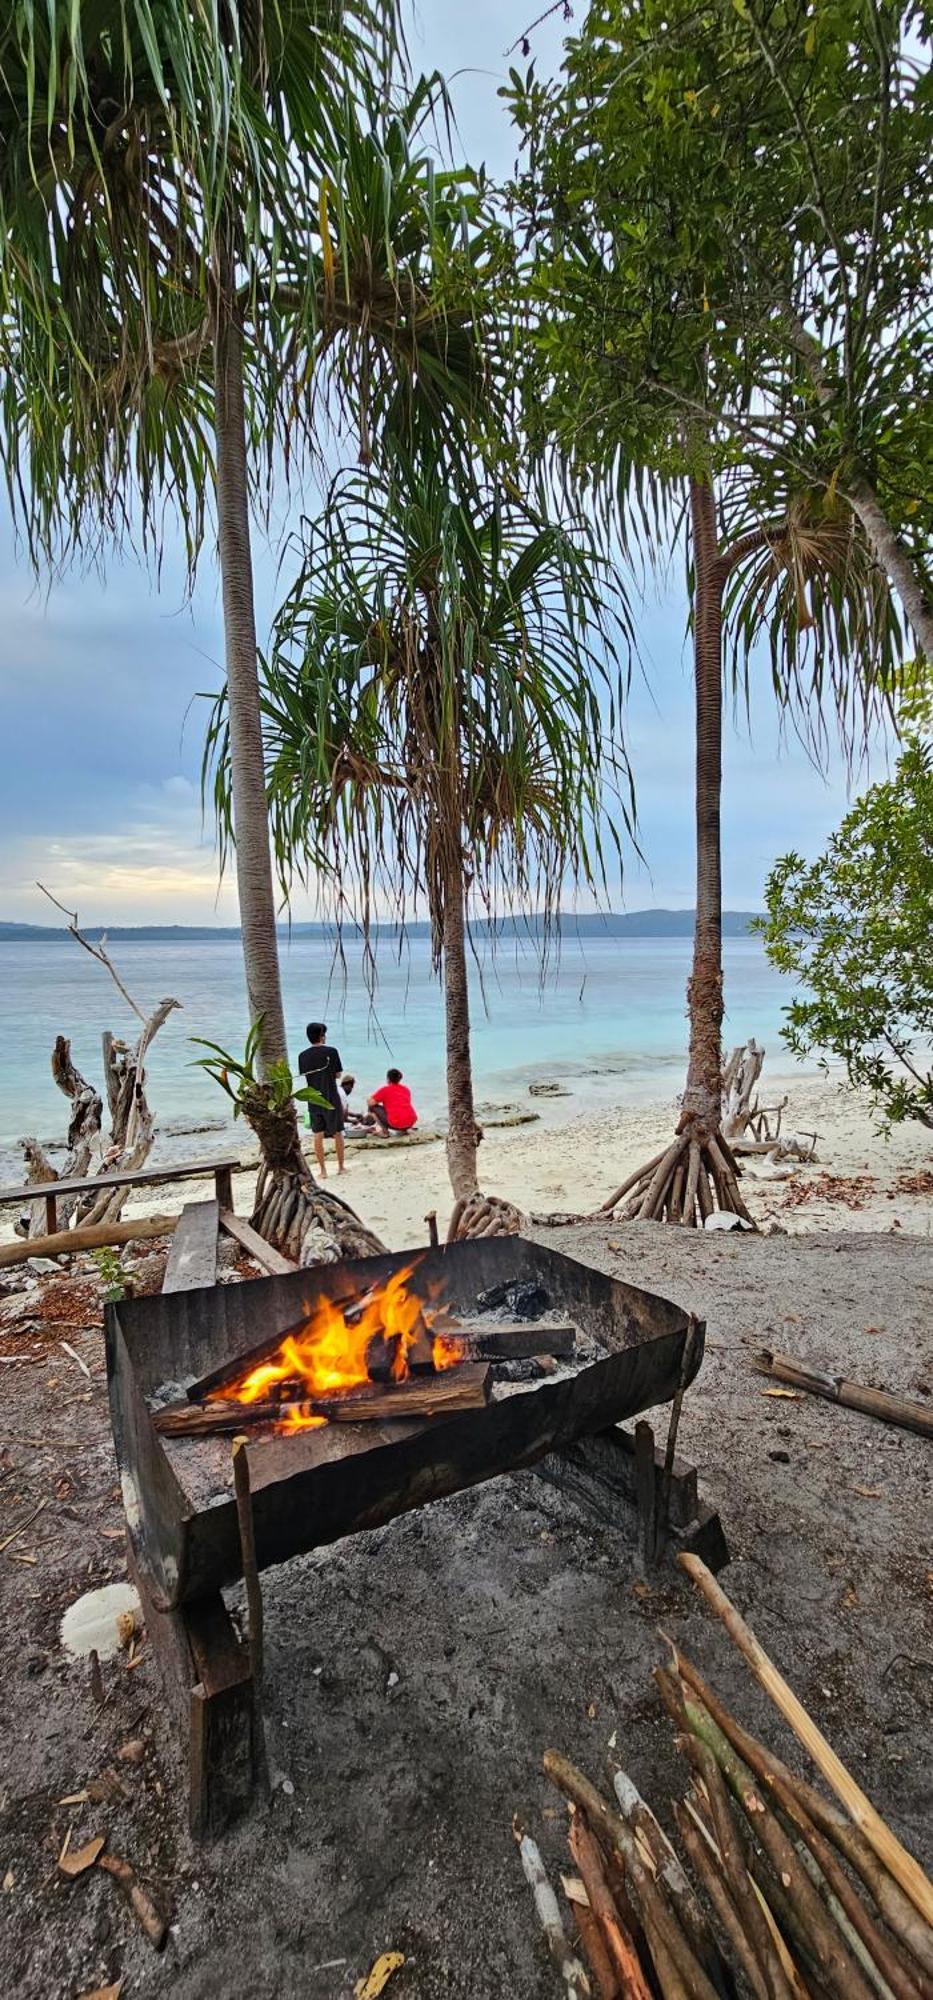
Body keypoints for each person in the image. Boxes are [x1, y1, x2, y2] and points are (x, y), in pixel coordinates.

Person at [298, 1022, 345, 1177]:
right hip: (331, 1096)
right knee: (337, 1132)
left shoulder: (302, 1056)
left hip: (313, 1098)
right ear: (321, 1035)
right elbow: (338, 1075)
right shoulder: (332, 1051)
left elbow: (306, 1075)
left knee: (318, 1133)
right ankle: (340, 1167)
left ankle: (323, 1171)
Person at [367, 1067, 418, 1134]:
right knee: (400, 1109)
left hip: (396, 1124)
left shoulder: (385, 1090)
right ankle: (404, 1130)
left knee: (371, 1108)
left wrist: (370, 1097)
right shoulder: (406, 1089)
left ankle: (384, 1131)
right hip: (411, 1122)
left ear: (388, 1079)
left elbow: (370, 1103)